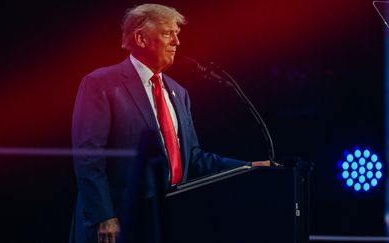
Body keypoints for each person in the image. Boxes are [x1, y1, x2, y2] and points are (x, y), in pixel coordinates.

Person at [70, 3, 270, 243]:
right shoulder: (101, 83)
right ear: (141, 38)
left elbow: (193, 158)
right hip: (118, 223)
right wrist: (105, 216)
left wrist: (248, 167)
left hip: (166, 221)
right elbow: (88, 157)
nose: (177, 42)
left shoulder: (179, 92)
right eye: (168, 33)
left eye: (177, 34)